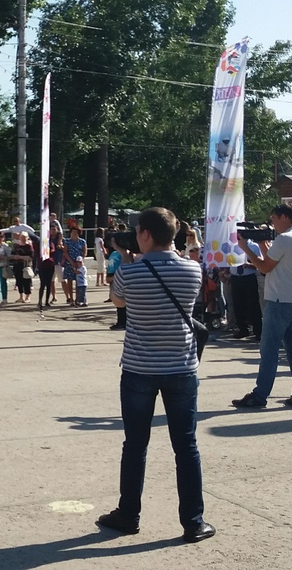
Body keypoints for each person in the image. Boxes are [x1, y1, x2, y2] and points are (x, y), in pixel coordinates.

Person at [100, 207, 214, 544]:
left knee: (135, 445)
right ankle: (193, 522)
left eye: (137, 232)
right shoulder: (193, 270)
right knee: (186, 446)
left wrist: (125, 258)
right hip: (181, 367)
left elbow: (117, 302)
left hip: (139, 367)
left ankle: (128, 514)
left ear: (146, 235)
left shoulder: (129, 273)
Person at [232, 204, 292, 409]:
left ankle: (259, 396)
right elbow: (273, 261)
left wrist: (245, 248)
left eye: (273, 219)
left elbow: (265, 267)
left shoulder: (284, 239)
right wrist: (262, 244)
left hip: (280, 300)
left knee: (269, 350)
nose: (272, 223)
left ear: (283, 217)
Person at [62, 226, 87, 306]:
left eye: (76, 232)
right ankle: (71, 299)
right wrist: (71, 261)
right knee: (69, 281)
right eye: (73, 232)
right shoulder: (67, 241)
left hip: (79, 264)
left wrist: (80, 261)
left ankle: (78, 299)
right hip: (69, 263)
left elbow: (84, 252)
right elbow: (65, 252)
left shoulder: (82, 241)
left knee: (78, 282)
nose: (74, 234)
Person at [11, 231, 34, 303]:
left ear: (27, 238)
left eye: (24, 237)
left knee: (27, 281)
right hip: (17, 265)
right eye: (22, 237)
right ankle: (21, 297)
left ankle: (28, 297)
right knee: (19, 281)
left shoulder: (29, 247)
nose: (23, 239)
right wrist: (14, 257)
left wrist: (21, 257)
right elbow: (12, 254)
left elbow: (31, 257)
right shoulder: (16, 246)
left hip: (26, 266)